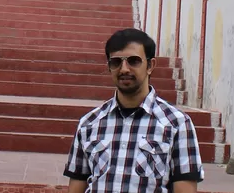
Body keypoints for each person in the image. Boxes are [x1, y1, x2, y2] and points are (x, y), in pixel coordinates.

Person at [64, 28, 203, 193]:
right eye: (116, 62)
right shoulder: (89, 123)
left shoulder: (177, 124)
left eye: (134, 61)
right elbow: (76, 186)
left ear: (150, 65)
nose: (124, 69)